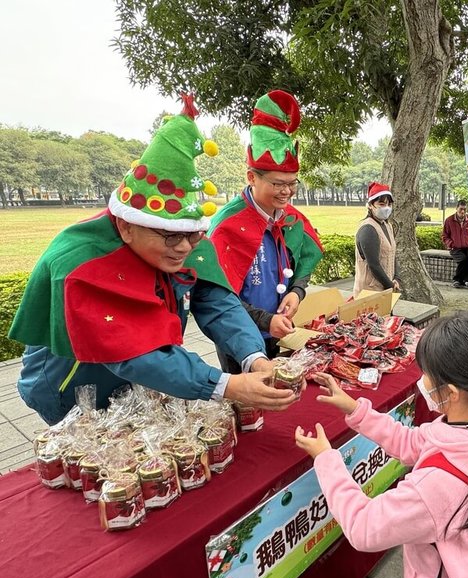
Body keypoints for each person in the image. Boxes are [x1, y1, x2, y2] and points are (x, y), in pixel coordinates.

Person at [9, 96, 296, 425]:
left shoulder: (185, 240)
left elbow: (217, 300)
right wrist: (223, 384)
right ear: (126, 226)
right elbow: (133, 352)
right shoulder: (80, 262)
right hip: (69, 385)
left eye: (193, 236)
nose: (184, 248)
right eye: (171, 236)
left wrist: (253, 357)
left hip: (142, 378)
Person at [295, 311, 468, 578]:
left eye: (426, 374)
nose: (421, 381)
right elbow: (413, 442)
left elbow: (364, 527)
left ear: (451, 392)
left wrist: (326, 459)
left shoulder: (434, 487)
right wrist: (355, 410)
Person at [209, 90, 323, 361]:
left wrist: (296, 292)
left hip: (279, 331)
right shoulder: (227, 225)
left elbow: (304, 260)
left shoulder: (291, 218)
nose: (287, 192)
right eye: (277, 184)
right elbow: (217, 296)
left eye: (293, 183)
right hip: (238, 336)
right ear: (251, 177)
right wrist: (263, 320)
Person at [353, 182, 400, 297]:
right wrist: (390, 285)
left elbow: (392, 253)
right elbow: (374, 264)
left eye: (389, 204)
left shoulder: (387, 225)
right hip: (369, 292)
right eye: (382, 204)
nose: (387, 208)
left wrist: (396, 278)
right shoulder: (368, 229)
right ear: (370, 205)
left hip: (386, 289)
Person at [442, 200, 468, 288]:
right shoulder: (449, 220)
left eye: (465, 209)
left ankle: (467, 280)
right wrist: (451, 244)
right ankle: (457, 279)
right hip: (455, 247)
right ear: (456, 208)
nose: (462, 211)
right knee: (463, 260)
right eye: (461, 209)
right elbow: (444, 236)